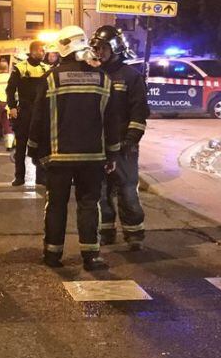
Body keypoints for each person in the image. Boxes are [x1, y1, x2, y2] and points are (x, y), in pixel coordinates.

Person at [28, 26, 124, 271]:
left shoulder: (51, 78)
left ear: (61, 49)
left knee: (56, 205)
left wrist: (34, 150)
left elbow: (38, 118)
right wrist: (113, 153)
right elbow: (112, 120)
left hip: (59, 157)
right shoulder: (103, 78)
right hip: (93, 157)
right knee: (89, 204)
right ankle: (91, 256)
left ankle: (52, 254)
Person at [90, 25, 150, 249]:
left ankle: (134, 234)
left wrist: (131, 139)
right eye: (96, 48)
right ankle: (106, 231)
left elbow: (139, 112)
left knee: (126, 189)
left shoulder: (130, 77)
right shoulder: (94, 75)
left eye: (103, 48)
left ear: (114, 47)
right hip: (99, 145)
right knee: (101, 191)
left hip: (124, 146)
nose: (99, 52)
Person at [7, 40, 50, 187]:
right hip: (25, 111)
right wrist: (12, 107)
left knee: (41, 143)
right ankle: (19, 177)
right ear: (33, 51)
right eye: (41, 50)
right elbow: (10, 89)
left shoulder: (46, 69)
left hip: (40, 111)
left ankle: (41, 176)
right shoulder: (20, 68)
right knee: (21, 146)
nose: (43, 53)